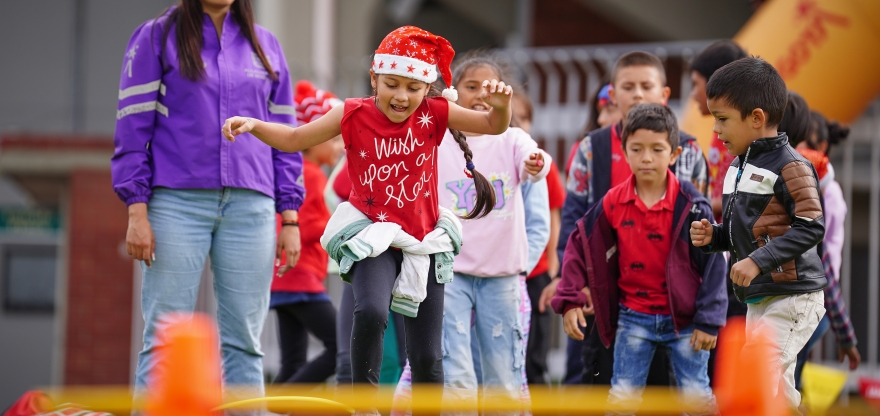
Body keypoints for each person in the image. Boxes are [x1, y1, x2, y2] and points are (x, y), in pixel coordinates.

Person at [222, 26, 535, 410]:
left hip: (423, 242)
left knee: (426, 357)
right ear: (374, 78)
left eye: (413, 88)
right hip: (374, 234)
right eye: (391, 84)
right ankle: (365, 405)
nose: (401, 96)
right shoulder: (353, 113)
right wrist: (254, 125)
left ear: (426, 90)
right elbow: (294, 139)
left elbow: (491, 125)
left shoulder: (434, 113)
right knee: (369, 309)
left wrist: (502, 108)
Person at [112, 0, 304, 405]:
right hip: (176, 203)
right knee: (165, 334)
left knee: (245, 343)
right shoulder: (156, 36)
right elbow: (132, 127)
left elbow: (288, 136)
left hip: (251, 206)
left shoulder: (265, 44)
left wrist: (290, 217)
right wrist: (136, 208)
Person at [544, 51, 711, 385]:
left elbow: (702, 237)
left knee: (676, 387)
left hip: (670, 298)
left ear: (664, 94)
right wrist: (573, 282)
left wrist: (705, 305)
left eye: (646, 86)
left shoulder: (689, 150)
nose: (637, 94)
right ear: (612, 94)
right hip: (605, 289)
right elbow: (576, 222)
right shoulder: (591, 148)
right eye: (628, 86)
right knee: (605, 382)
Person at [553, 103, 726, 414]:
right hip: (633, 317)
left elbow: (715, 262)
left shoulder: (691, 205)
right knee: (622, 398)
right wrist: (569, 298)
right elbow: (579, 243)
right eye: (637, 149)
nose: (647, 158)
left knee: (697, 397)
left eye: (657, 149)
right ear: (625, 150)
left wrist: (709, 320)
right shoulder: (613, 202)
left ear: (674, 154)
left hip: (685, 321)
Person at [690, 57, 827, 409]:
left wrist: (756, 261)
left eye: (722, 119)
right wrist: (716, 237)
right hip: (761, 297)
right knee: (773, 387)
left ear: (756, 118)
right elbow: (748, 229)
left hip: (794, 296)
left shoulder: (792, 166)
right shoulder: (737, 167)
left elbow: (811, 225)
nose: (716, 130)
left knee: (759, 376)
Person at [435, 53, 551, 404]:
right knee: (456, 374)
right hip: (450, 273)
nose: (481, 95)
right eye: (471, 86)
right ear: (452, 92)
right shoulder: (439, 141)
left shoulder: (513, 139)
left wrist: (536, 164)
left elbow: (536, 163)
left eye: (489, 88)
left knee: (503, 374)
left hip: (501, 277)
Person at [271, 80, 344, 384]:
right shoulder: (310, 175)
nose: (340, 146)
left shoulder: (300, 173)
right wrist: (337, 223)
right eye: (334, 138)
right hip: (301, 280)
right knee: (341, 346)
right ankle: (281, 401)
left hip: (286, 281)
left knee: (292, 362)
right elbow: (298, 226)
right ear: (314, 137)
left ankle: (278, 403)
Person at [792, 113, 860, 388]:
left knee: (789, 381)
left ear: (822, 149)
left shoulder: (827, 195)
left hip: (814, 297)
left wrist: (844, 333)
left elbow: (824, 263)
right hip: (805, 295)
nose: (797, 152)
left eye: (806, 144)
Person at [513, 90, 565, 385]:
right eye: (510, 118)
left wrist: (553, 259)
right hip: (501, 270)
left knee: (535, 348)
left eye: (521, 118)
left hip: (536, 270)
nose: (515, 123)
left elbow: (553, 213)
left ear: (531, 123)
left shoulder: (541, 162)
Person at [689, 40, 748, 222]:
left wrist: (698, 201)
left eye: (695, 84)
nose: (692, 94)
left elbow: (746, 196)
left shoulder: (743, 132)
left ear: (715, 83)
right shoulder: (720, 128)